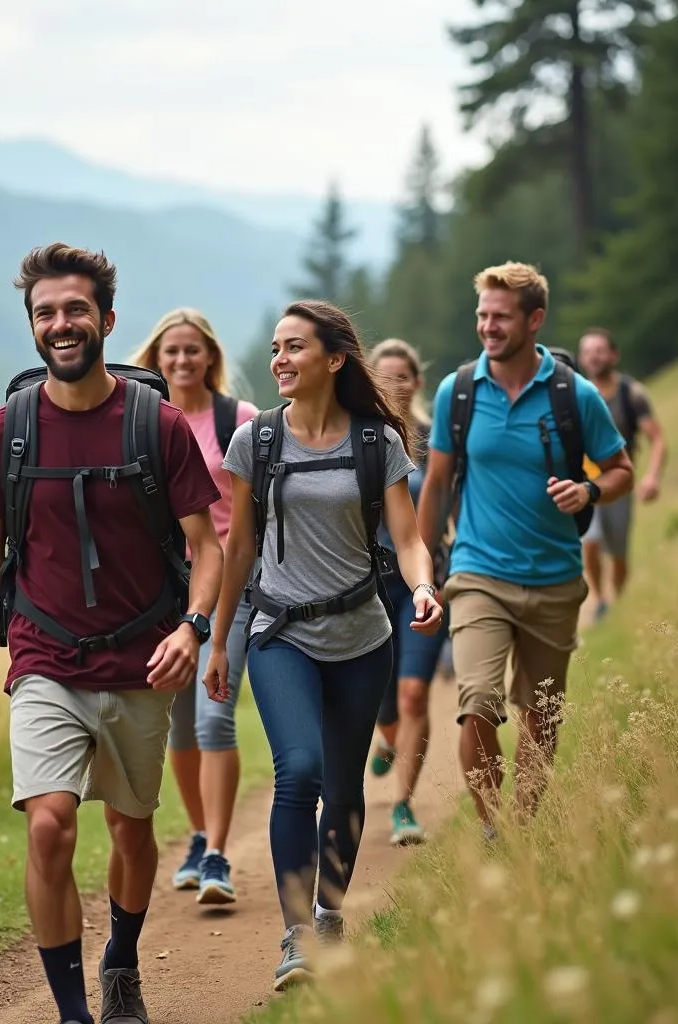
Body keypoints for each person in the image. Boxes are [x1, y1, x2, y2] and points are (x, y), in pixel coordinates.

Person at [0, 244, 223, 1024]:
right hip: (44, 656)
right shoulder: (3, 433)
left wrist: (195, 628)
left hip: (142, 657)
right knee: (49, 825)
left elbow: (208, 547)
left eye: (74, 310)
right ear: (32, 328)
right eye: (45, 313)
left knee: (133, 831)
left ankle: (122, 961)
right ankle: (72, 1012)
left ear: (105, 319)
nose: (60, 325)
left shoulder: (157, 425)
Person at [204, 300, 443, 991]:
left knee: (342, 787)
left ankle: (330, 913)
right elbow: (239, 544)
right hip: (280, 633)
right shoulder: (258, 442)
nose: (279, 359)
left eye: (295, 348)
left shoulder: (376, 442)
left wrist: (422, 587)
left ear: (334, 359)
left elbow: (406, 536)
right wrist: (221, 642)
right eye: (276, 348)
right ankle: (297, 936)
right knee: (299, 770)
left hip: (362, 635)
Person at [416, 263, 633, 840]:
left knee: (541, 716)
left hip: (555, 579)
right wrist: (421, 570)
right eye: (482, 315)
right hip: (478, 573)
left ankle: (524, 828)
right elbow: (437, 484)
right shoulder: (457, 391)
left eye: (501, 317)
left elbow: (621, 471)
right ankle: (493, 830)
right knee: (478, 702)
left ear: (534, 320)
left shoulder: (573, 394)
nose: (488, 326)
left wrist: (588, 489)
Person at [132, 308, 258, 907]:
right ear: (155, 359)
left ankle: (216, 854)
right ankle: (200, 832)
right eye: (170, 352)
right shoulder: (142, 422)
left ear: (211, 356)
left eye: (192, 351)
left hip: (231, 588)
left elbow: (254, 519)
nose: (181, 361)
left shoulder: (242, 422)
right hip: (162, 592)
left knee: (215, 716)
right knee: (178, 725)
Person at [365, 339, 451, 847]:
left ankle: (402, 806)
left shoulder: (436, 439)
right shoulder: (358, 435)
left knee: (414, 691)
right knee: (383, 699)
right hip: (369, 583)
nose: (394, 384)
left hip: (423, 581)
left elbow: (452, 506)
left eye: (403, 376)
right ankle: (387, 734)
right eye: (385, 375)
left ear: (417, 382)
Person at [577, 326, 668, 620]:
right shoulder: (576, 395)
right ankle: (601, 599)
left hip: (618, 483)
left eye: (600, 350)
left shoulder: (632, 393)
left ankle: (618, 598)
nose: (594, 357)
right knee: (590, 541)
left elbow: (657, 439)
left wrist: (652, 476)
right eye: (588, 352)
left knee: (618, 554)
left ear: (613, 355)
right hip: (585, 483)